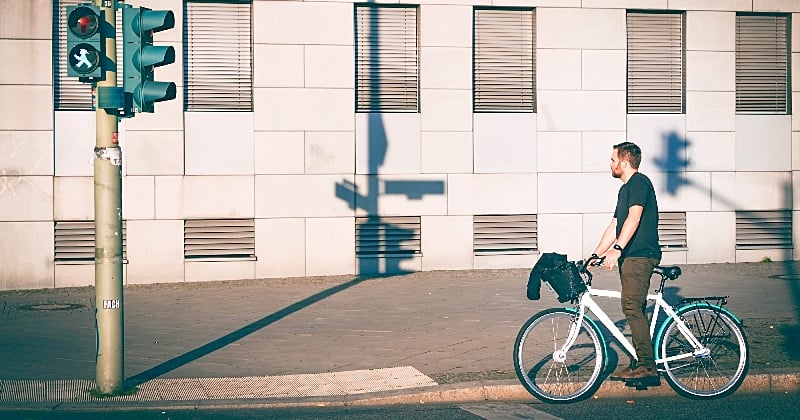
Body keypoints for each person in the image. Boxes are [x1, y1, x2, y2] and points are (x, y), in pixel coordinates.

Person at [591, 141, 662, 383]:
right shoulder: (624, 189)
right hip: (631, 257)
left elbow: (635, 216)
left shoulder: (639, 182)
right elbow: (615, 225)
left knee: (631, 307)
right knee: (636, 308)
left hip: (640, 255)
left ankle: (646, 366)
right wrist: (596, 253)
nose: (610, 164)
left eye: (612, 160)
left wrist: (618, 248)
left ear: (623, 161)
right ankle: (639, 361)